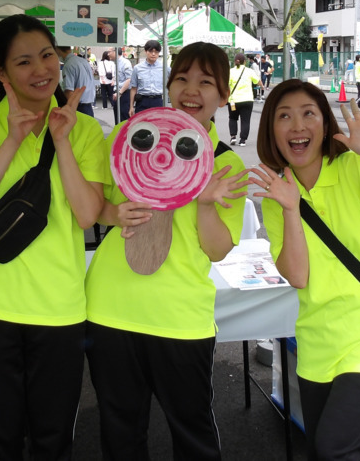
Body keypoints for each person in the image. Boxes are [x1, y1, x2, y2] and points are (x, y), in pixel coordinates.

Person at [249, 80, 360, 460]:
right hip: (318, 343)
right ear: (271, 129)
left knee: (335, 449)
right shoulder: (279, 189)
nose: (297, 125)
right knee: (330, 450)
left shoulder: (357, 168)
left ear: (325, 123)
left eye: (308, 114)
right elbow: (298, 275)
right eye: (284, 116)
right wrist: (289, 208)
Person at [0, 15, 106, 460]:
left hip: (60, 307)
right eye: (23, 61)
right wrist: (13, 139)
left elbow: (86, 214)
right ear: (0, 72)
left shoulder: (86, 129)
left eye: (47, 56)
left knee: (53, 439)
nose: (41, 70)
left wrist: (64, 140)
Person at [85, 41, 248, 461]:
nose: (191, 90)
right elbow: (92, 211)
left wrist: (206, 200)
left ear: (224, 95)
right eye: (182, 78)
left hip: (180, 318)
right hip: (110, 307)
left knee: (192, 433)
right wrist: (114, 212)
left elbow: (216, 251)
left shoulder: (227, 164)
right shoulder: (128, 137)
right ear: (169, 83)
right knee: (120, 432)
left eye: (205, 82)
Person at [227, 52, 262, 147]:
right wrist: (262, 86)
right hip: (247, 100)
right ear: (245, 62)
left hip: (234, 101)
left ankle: (233, 137)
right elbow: (257, 81)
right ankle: (242, 140)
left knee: (233, 118)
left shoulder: (230, 71)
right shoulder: (249, 71)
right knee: (245, 120)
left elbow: (226, 85)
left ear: (235, 62)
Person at [129, 39, 169, 115]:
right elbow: (133, 88)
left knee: (157, 124)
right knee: (141, 124)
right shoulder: (137, 68)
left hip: (158, 100)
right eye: (151, 51)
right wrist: (131, 107)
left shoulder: (164, 68)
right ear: (146, 51)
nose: (153, 54)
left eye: (156, 52)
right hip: (142, 101)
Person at [57, 46, 98, 117]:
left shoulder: (68, 65)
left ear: (57, 50)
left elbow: (69, 91)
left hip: (78, 107)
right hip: (88, 105)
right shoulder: (83, 61)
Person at [113, 47, 133, 123]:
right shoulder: (116, 63)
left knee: (123, 118)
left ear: (115, 52)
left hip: (124, 93)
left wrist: (120, 92)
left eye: (109, 51)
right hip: (118, 93)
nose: (108, 54)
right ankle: (118, 134)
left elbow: (129, 79)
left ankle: (124, 134)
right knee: (118, 117)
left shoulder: (125, 62)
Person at [98, 49, 117, 115]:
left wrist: (102, 79)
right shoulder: (111, 63)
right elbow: (113, 72)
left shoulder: (100, 63)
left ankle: (104, 106)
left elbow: (100, 71)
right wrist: (113, 80)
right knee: (111, 93)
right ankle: (113, 104)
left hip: (102, 80)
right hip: (110, 80)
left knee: (103, 94)